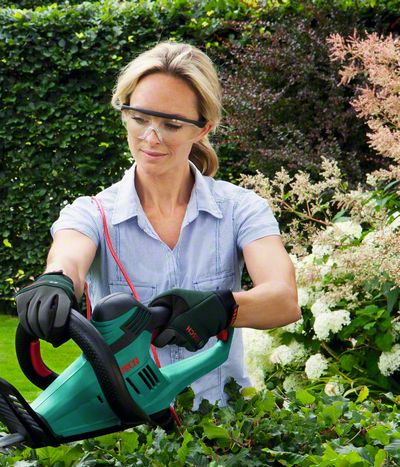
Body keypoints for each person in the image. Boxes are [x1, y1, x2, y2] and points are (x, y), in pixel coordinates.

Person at [15, 41, 301, 407]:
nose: (151, 137)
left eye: (171, 124)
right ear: (124, 114)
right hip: (125, 424)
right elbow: (69, 255)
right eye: (140, 119)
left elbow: (284, 299)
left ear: (202, 128)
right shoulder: (92, 213)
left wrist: (222, 308)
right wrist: (55, 281)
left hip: (226, 424)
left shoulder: (240, 209)